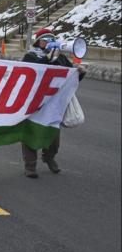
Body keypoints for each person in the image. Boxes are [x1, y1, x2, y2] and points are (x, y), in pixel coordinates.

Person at [20, 28, 86, 178]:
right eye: (46, 39)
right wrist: (47, 59)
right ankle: (30, 166)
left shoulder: (61, 58)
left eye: (52, 39)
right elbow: (32, 74)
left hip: (53, 105)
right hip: (35, 103)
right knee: (31, 133)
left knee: (53, 137)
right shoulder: (30, 56)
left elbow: (70, 81)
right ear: (38, 42)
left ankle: (49, 157)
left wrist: (80, 73)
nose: (49, 42)